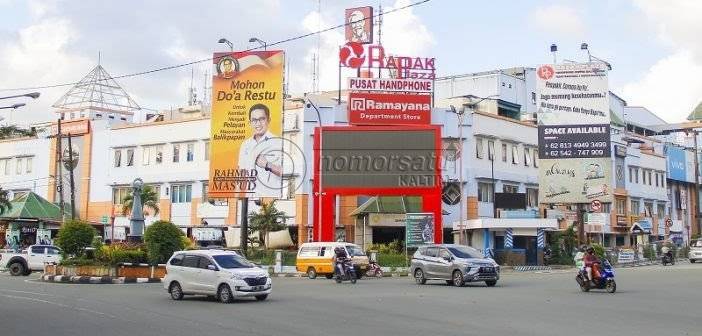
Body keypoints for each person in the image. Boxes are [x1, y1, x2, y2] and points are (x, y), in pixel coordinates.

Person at [238, 104, 283, 198]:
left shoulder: (278, 142)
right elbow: (241, 175)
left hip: (271, 200)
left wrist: (267, 164)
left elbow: (288, 173)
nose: (258, 124)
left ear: (268, 120)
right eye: (254, 120)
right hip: (250, 200)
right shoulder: (245, 144)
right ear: (250, 122)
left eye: (262, 119)